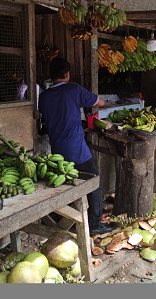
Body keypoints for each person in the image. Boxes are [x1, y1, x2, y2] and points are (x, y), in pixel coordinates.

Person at [38, 57, 117, 236]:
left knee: (64, 183)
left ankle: (61, 222)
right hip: (76, 149)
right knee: (93, 181)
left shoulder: (43, 96)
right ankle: (95, 223)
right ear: (67, 74)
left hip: (57, 150)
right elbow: (100, 103)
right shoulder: (73, 89)